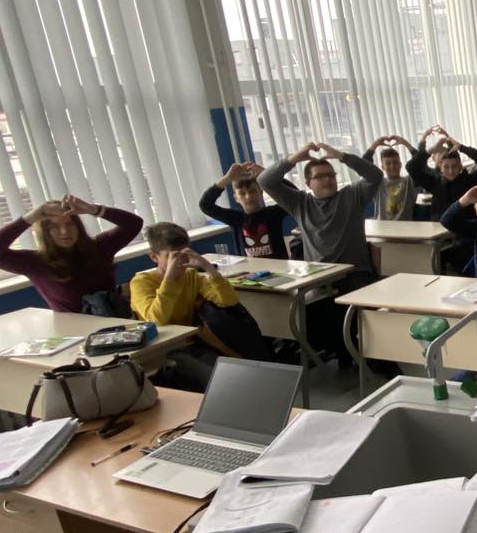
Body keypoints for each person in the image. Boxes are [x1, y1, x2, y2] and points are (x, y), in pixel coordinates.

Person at [259, 142, 382, 366]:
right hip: (319, 278)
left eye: (330, 175)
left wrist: (343, 156)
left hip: (354, 274)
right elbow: (265, 181)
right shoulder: (300, 203)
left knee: (355, 311)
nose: (327, 180)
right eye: (320, 177)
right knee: (306, 313)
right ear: (308, 183)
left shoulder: (352, 196)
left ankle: (370, 358)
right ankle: (340, 353)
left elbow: (375, 175)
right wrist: (295, 158)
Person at [129, 222, 251, 390]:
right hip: (160, 351)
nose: (180, 261)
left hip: (191, 343)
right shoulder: (141, 282)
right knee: (219, 382)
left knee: (238, 373)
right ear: (154, 257)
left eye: (184, 254)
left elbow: (229, 301)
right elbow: (157, 319)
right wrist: (170, 278)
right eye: (172, 256)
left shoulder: (191, 276)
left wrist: (207, 267)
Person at [0, 194, 142, 314]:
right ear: (45, 233)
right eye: (54, 227)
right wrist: (30, 218)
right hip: (75, 332)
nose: (64, 232)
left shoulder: (99, 247)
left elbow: (133, 224)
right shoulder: (35, 262)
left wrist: (93, 209)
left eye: (69, 224)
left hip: (116, 322)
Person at [408, 127, 477, 271]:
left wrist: (461, 147)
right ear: (440, 167)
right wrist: (431, 150)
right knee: (432, 263)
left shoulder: (471, 181)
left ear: (460, 166)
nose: (450, 170)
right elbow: (411, 167)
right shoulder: (435, 183)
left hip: (465, 235)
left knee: (465, 265)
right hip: (439, 234)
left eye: (454, 166)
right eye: (446, 167)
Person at [199, 163, 290, 259]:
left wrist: (266, 173)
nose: (248, 197)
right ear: (236, 198)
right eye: (242, 193)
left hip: (278, 267)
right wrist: (227, 178)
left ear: (260, 192)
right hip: (248, 268)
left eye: (252, 191)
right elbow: (205, 205)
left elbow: (294, 195)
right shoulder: (235, 218)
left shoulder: (273, 214)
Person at [363, 135, 418, 221]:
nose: (392, 166)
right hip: (382, 226)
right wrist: (375, 144)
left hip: (405, 227)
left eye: (395, 162)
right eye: (388, 164)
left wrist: (405, 143)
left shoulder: (409, 181)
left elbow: (420, 163)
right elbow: (365, 165)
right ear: (382, 167)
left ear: (400, 165)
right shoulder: (378, 182)